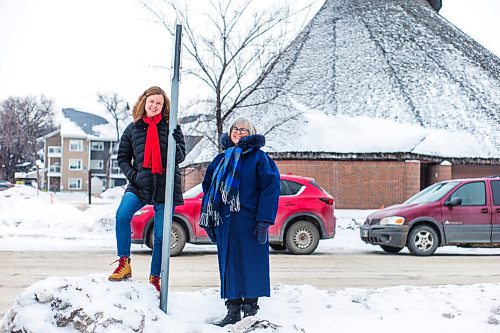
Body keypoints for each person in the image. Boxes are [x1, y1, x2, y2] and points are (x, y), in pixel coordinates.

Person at [200, 117, 280, 326]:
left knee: (251, 264)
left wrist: (263, 221)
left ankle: (251, 311)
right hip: (225, 223)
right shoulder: (221, 159)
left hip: (250, 221)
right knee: (229, 265)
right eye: (235, 129)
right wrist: (210, 219)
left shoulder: (260, 159)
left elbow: (270, 189)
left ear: (251, 133)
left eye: (243, 130)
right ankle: (233, 311)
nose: (238, 132)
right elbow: (208, 187)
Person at [108, 86, 185, 292]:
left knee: (160, 236)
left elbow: (180, 158)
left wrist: (177, 140)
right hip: (139, 185)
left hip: (165, 188)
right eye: (152, 101)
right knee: (122, 216)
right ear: (144, 102)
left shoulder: (170, 127)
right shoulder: (133, 128)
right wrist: (134, 175)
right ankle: (124, 264)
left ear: (163, 106)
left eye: (159, 103)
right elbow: (122, 158)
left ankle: (154, 278)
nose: (154, 106)